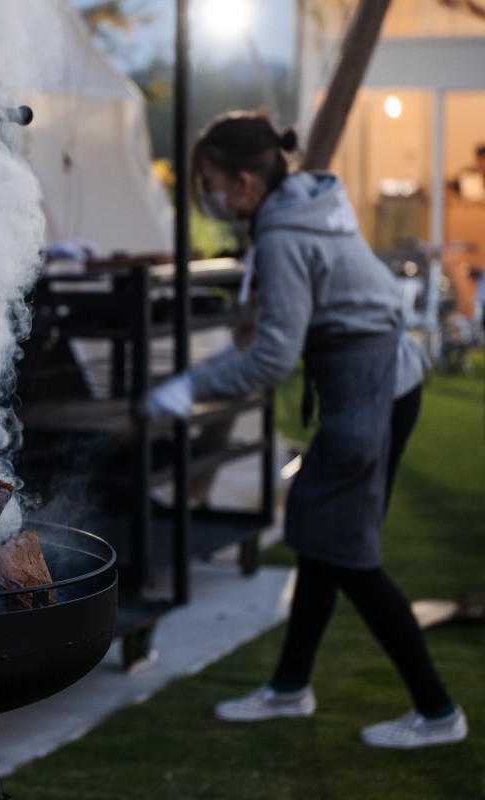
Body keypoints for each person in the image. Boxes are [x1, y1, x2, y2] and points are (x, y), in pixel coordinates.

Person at [146, 111, 467, 749]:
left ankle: (437, 711)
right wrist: (197, 374)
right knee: (324, 539)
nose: (209, 195)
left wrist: (187, 390)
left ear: (243, 181)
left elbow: (270, 358)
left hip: (366, 388)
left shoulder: (284, 236)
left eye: (211, 182)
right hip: (387, 378)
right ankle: (290, 688)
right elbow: (265, 334)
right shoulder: (302, 199)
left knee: (348, 553)